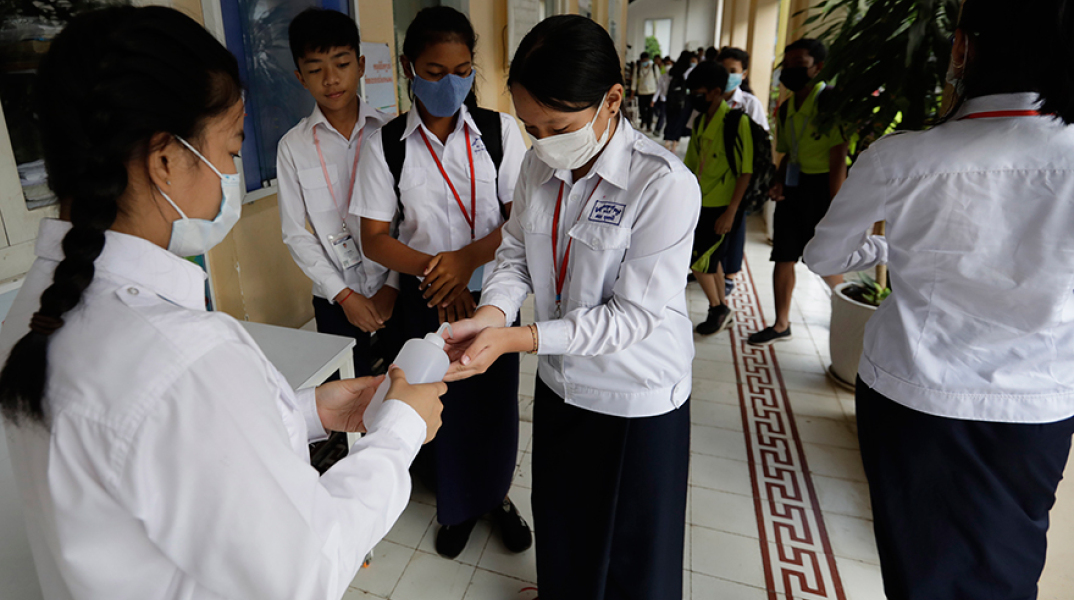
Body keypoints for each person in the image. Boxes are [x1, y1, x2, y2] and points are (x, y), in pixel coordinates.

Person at [0, 7, 446, 600]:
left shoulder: (34, 313)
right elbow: (306, 568)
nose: (232, 173)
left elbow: (168, 466)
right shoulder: (182, 359)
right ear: (165, 160)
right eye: (232, 152)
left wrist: (307, 411)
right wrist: (402, 429)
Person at [803, 1, 1074, 598]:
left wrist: (888, 251)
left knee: (916, 564)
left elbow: (823, 257)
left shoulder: (902, 158)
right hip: (1036, 410)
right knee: (1008, 562)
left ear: (962, 49)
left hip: (913, 397)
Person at [442, 15, 700, 600]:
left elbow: (633, 318)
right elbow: (513, 254)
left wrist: (520, 339)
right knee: (564, 526)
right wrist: (493, 316)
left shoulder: (661, 184)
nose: (543, 142)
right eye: (531, 127)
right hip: (562, 387)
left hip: (635, 398)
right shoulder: (540, 166)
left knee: (633, 558)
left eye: (556, 126)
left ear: (612, 100)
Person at [354, 6, 531, 559]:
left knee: (495, 401)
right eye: (434, 71)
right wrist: (441, 272)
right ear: (408, 68)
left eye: (462, 69)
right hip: (425, 293)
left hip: (495, 291)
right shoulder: (387, 145)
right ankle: (455, 506)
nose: (450, 83)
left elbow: (519, 220)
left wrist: (467, 261)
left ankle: (497, 496)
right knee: (440, 397)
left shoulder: (500, 133)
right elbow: (376, 237)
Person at [277, 8, 395, 379]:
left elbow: (409, 218)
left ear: (360, 65)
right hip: (334, 295)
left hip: (395, 288)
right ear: (300, 77)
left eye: (341, 63)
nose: (330, 79)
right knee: (349, 395)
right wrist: (345, 296)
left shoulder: (390, 132)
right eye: (315, 70)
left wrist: (391, 287)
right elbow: (295, 233)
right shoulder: (292, 147)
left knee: (404, 389)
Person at [747, 38, 848, 346]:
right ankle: (780, 324)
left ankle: (849, 314)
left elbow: (837, 159)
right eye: (786, 65)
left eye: (799, 65)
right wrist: (778, 180)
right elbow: (787, 152)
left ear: (818, 68)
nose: (790, 71)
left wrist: (837, 208)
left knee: (825, 259)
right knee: (784, 254)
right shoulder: (787, 106)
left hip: (823, 187)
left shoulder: (831, 102)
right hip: (794, 185)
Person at [685, 62, 754, 336]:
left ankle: (718, 308)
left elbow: (745, 170)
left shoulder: (737, 122)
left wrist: (732, 212)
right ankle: (721, 308)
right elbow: (690, 165)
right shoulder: (701, 121)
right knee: (710, 260)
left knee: (698, 261)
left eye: (698, 92)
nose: (694, 97)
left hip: (723, 205)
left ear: (715, 92)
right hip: (700, 202)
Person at [716, 46, 770, 297]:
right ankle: (711, 268)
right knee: (711, 224)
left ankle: (729, 274)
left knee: (735, 225)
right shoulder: (711, 100)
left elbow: (762, 142)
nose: (727, 75)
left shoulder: (749, 104)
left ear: (744, 74)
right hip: (713, 178)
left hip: (740, 177)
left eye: (733, 71)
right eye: (723, 70)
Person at [662, 51, 695, 152]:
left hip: (671, 99)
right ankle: (674, 145)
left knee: (670, 119)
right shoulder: (689, 71)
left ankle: (667, 140)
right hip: (682, 100)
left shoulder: (672, 70)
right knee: (679, 122)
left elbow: (665, 85)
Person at [630, 51, 659, 132]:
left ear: (648, 59)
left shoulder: (654, 67)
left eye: (646, 60)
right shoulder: (638, 68)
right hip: (641, 92)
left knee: (650, 109)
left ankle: (649, 126)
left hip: (651, 92)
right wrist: (632, 93)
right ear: (641, 60)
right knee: (642, 109)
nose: (644, 62)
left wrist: (658, 93)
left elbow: (658, 80)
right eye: (643, 61)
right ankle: (643, 121)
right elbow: (634, 81)